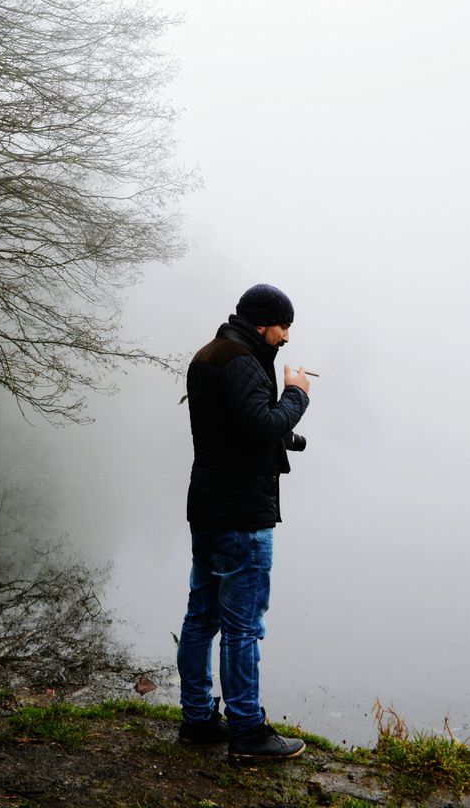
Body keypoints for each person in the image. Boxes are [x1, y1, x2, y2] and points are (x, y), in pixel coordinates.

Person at [176, 283, 311, 761]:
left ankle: (197, 719)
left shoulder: (209, 355)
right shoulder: (241, 361)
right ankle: (249, 733)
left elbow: (235, 428)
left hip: (208, 509)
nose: (287, 337)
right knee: (242, 627)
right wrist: (296, 395)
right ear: (261, 323)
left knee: (201, 618)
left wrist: (286, 437)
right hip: (241, 517)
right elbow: (260, 423)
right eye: (283, 326)